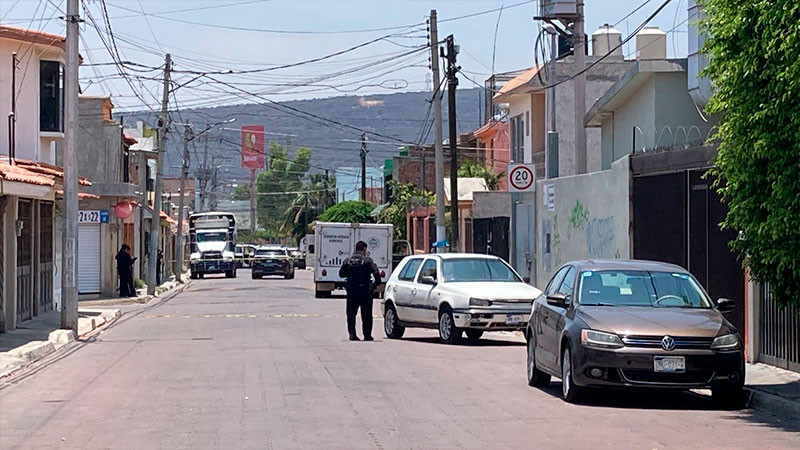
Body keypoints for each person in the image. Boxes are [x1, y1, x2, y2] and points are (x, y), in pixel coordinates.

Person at [339, 241, 381, 341]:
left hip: (352, 291)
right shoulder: (367, 261)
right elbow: (377, 275)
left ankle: (352, 334)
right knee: (366, 314)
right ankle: (367, 335)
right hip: (365, 291)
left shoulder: (347, 261)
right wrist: (374, 285)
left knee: (351, 314)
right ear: (364, 249)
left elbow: (341, 274)